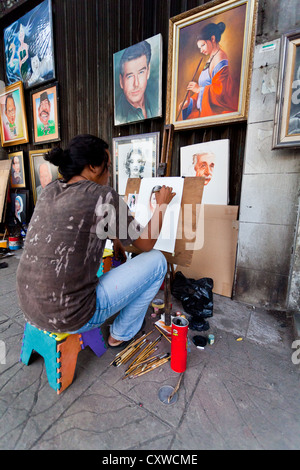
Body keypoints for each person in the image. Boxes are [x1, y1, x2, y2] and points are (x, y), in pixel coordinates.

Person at [16, 134, 175, 348]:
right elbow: (146, 244)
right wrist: (162, 205)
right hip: (72, 316)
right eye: (107, 167)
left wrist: (116, 237)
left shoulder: (50, 190)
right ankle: (121, 333)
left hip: (29, 307)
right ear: (92, 167)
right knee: (157, 261)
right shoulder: (103, 196)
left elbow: (74, 226)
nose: (109, 174)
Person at [179, 22, 238, 120]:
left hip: (215, 111)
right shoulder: (211, 57)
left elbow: (221, 92)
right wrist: (190, 103)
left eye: (203, 45)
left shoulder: (220, 58)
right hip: (205, 108)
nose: (201, 50)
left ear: (213, 39)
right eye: (199, 47)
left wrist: (198, 89)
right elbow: (205, 89)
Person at [116, 40, 153, 124]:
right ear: (121, 81)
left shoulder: (155, 103)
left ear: (148, 71)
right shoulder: (120, 116)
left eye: (140, 72)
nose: (136, 84)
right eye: (129, 76)